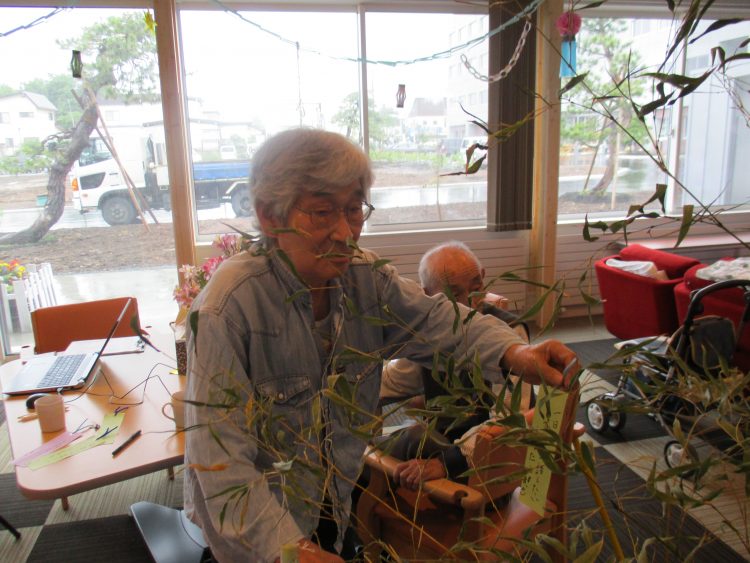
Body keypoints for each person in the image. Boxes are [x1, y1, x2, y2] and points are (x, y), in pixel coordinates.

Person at [183, 127, 579, 563]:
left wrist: (517, 352)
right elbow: (220, 465)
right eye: (322, 212)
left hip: (333, 502)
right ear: (269, 216)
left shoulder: (364, 278)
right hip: (256, 535)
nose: (345, 233)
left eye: (354, 210)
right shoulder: (228, 309)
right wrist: (290, 552)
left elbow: (442, 321)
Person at [379, 240, 532, 421]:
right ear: (427, 296)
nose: (470, 304)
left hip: (486, 435)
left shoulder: (510, 333)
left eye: (476, 289)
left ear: (482, 277)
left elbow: (508, 420)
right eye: (454, 295)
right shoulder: (427, 331)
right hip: (444, 433)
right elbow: (390, 384)